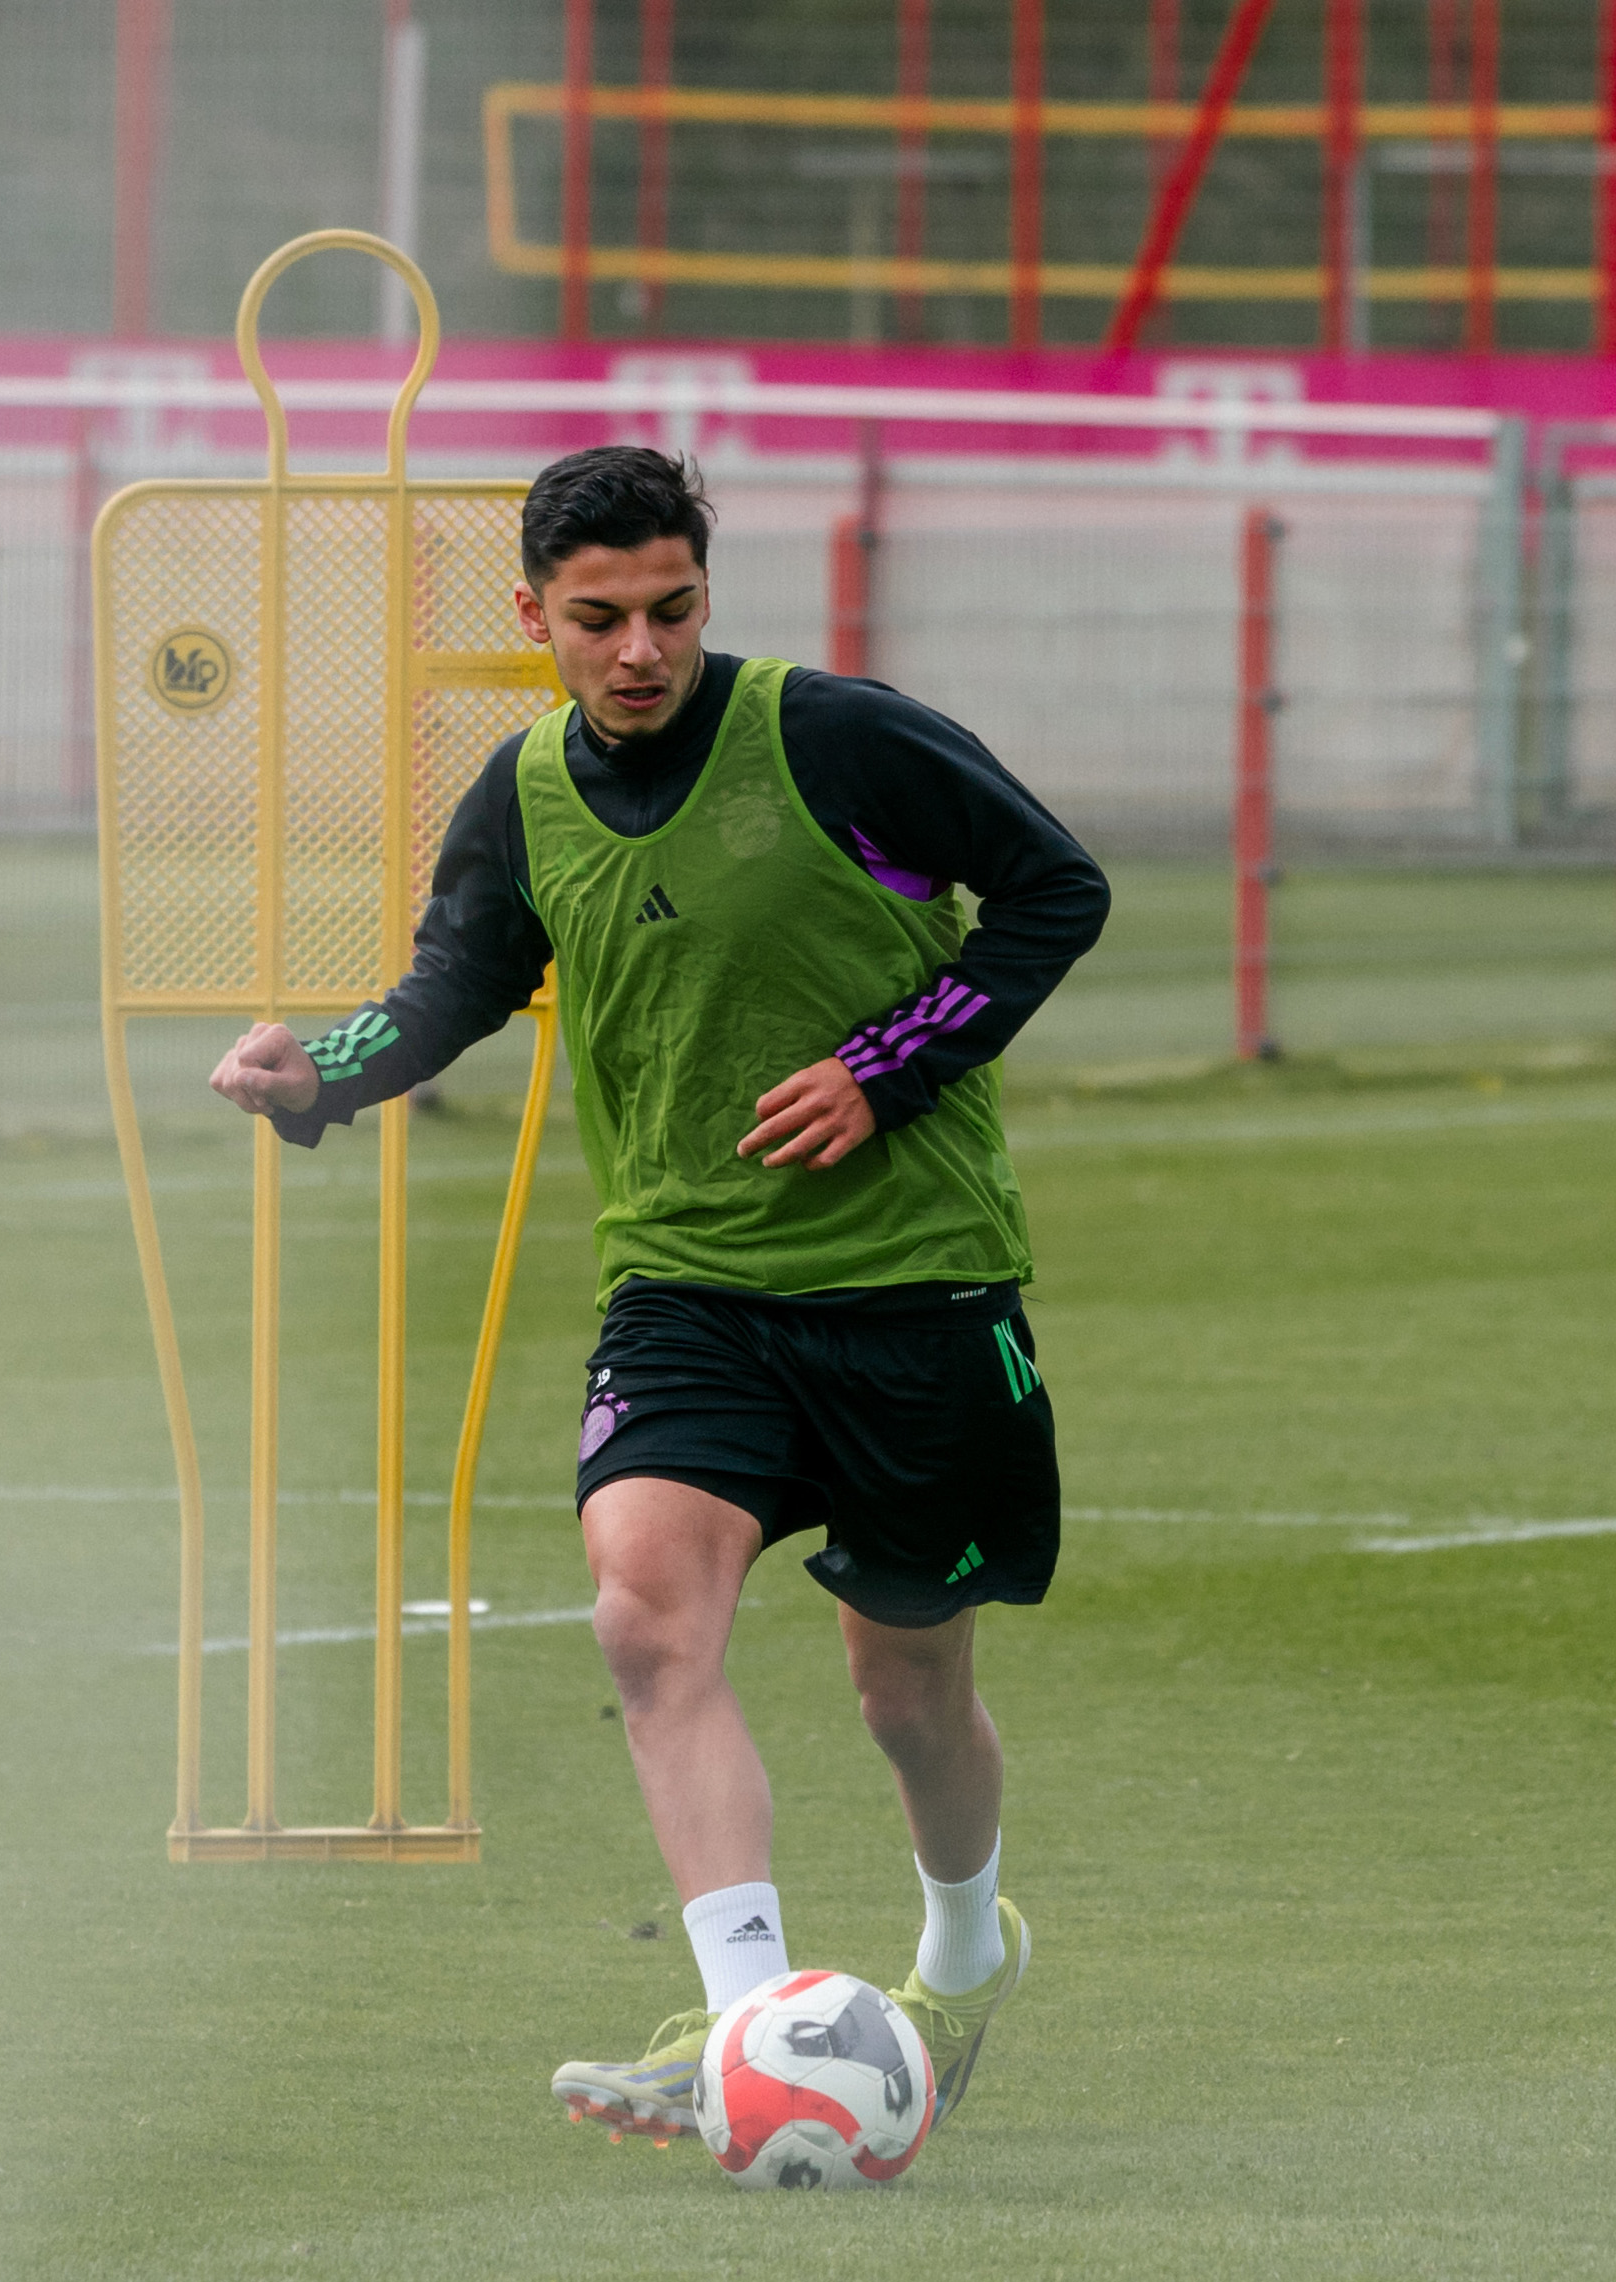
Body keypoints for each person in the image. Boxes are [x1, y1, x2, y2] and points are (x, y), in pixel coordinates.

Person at [205, 446, 1108, 2150]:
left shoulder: (836, 736)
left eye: (673, 608)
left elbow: (1056, 890)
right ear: (533, 614)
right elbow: (459, 979)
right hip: (688, 1284)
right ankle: (749, 2020)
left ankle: (966, 1952)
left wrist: (881, 1068)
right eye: (602, 617)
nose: (641, 650)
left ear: (707, 590)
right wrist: (314, 1065)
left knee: (908, 1699)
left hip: (915, 1281)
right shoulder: (525, 788)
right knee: (644, 1618)